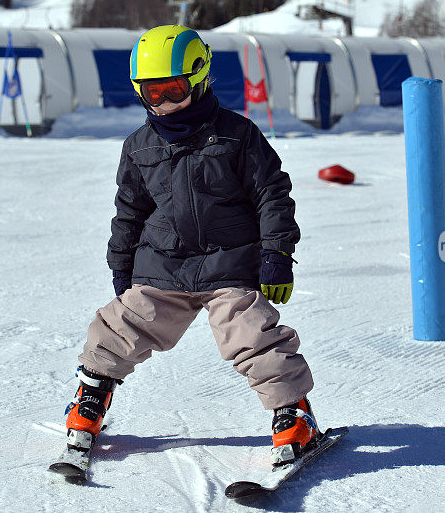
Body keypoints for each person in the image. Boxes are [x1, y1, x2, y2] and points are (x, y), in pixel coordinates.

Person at [62, 25, 318, 465]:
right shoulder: (139, 146)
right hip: (163, 267)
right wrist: (122, 267)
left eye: (174, 91)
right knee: (117, 327)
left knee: (253, 335)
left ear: (199, 79)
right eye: (151, 93)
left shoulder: (237, 135)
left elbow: (271, 194)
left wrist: (276, 255)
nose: (162, 104)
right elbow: (129, 212)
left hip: (230, 265)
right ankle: (90, 401)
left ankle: (292, 416)